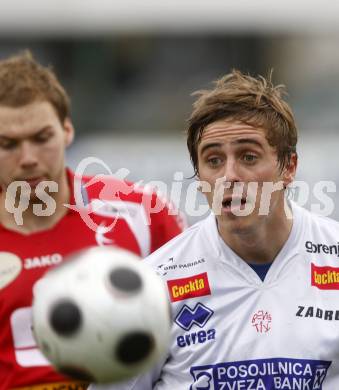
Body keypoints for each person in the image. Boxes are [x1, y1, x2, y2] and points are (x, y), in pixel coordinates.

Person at [90, 70, 339, 390]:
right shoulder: (153, 286)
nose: (230, 175)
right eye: (214, 160)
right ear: (199, 177)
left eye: (249, 156)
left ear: (288, 167)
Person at [0, 51, 185, 390]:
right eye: (7, 144)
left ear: (67, 130)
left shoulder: (142, 212)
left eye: (42, 139)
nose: (27, 159)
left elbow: (198, 317)